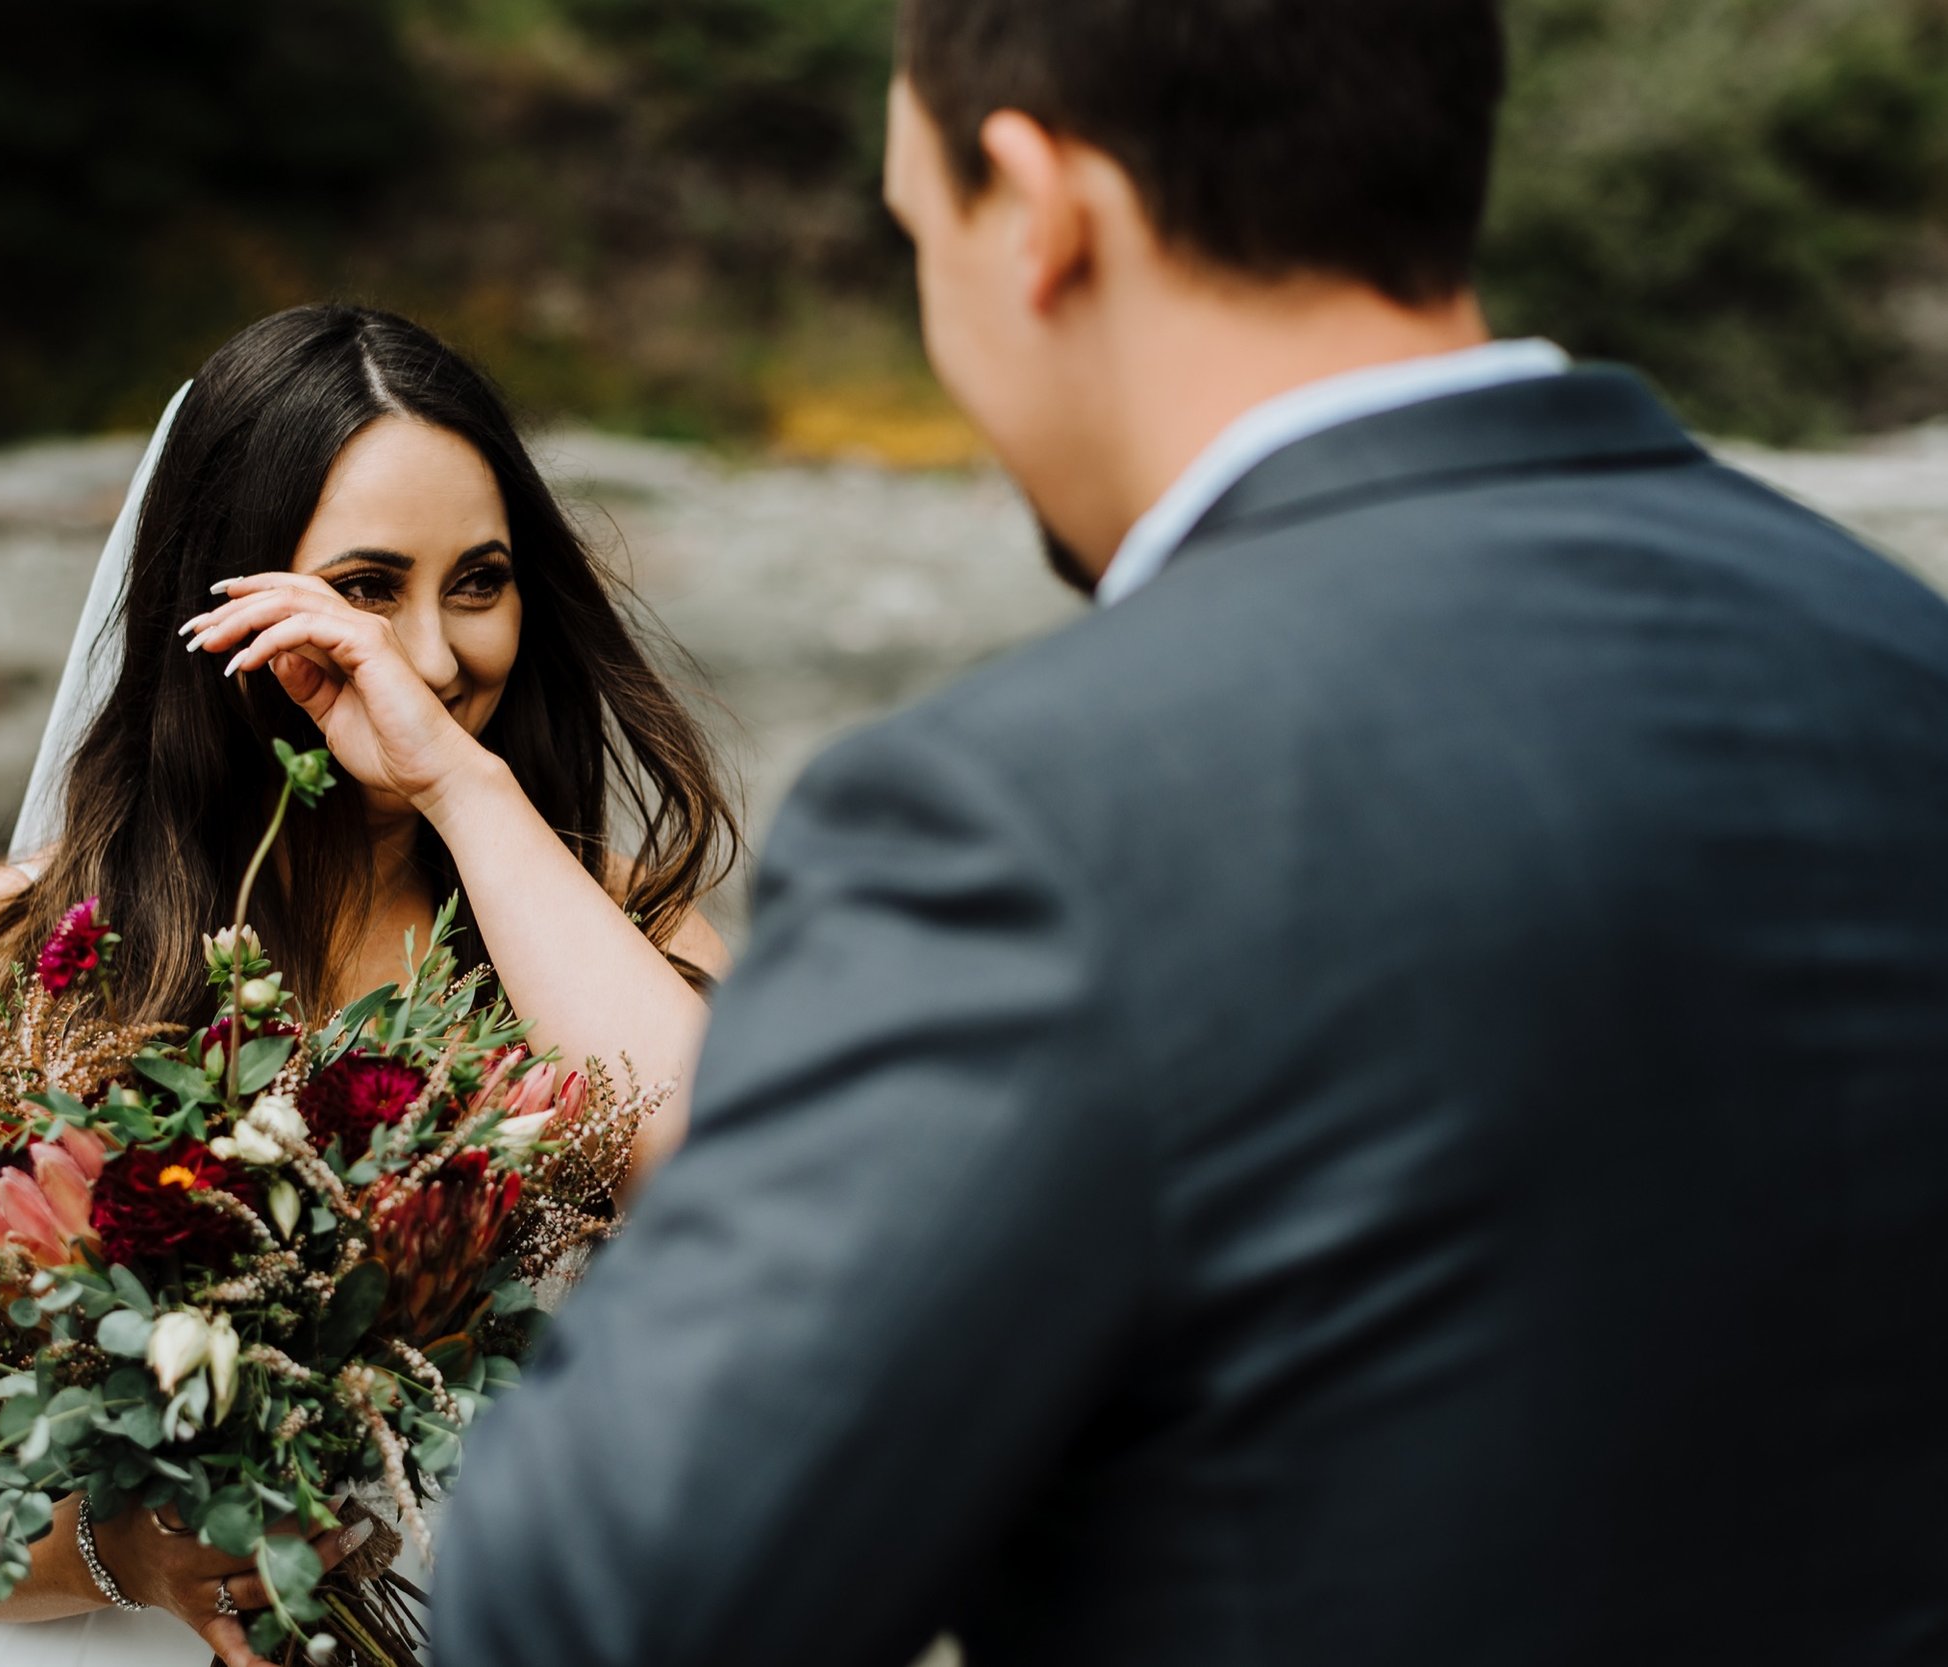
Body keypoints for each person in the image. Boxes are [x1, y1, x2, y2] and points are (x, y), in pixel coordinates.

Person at [430, 2, 1948, 1664]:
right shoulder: (1897, 655)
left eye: (916, 233)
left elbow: (600, 1611)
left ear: (1034, 209)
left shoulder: (1029, 820)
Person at [0, 304, 737, 1667]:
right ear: (216, 598)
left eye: (478, 582)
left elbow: (729, 1164)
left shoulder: (617, 926)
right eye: (364, 587)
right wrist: (127, 1550)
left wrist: (460, 788)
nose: (432, 656)